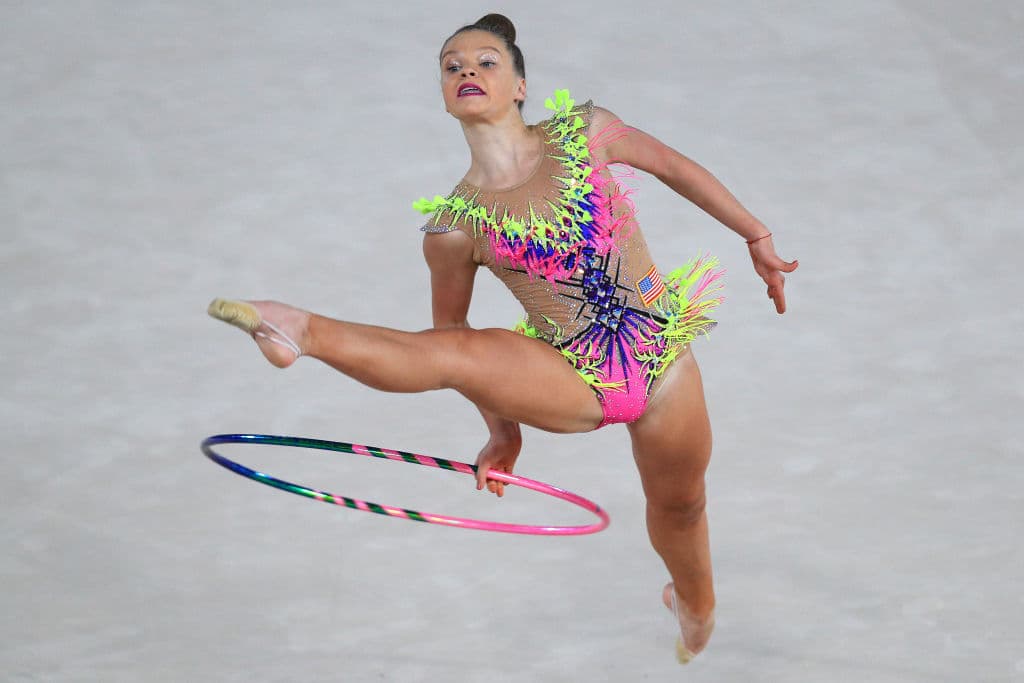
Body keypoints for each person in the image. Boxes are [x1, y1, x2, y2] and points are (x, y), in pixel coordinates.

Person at [207, 13, 797, 663]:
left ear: (519, 84)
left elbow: (675, 168)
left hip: (664, 363)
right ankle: (299, 328)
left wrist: (755, 232)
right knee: (461, 351)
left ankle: (696, 606)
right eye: (451, 65)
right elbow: (449, 337)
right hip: (567, 373)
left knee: (682, 504)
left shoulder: (586, 132)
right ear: (442, 90)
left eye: (486, 61)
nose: (467, 71)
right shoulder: (454, 226)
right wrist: (502, 430)